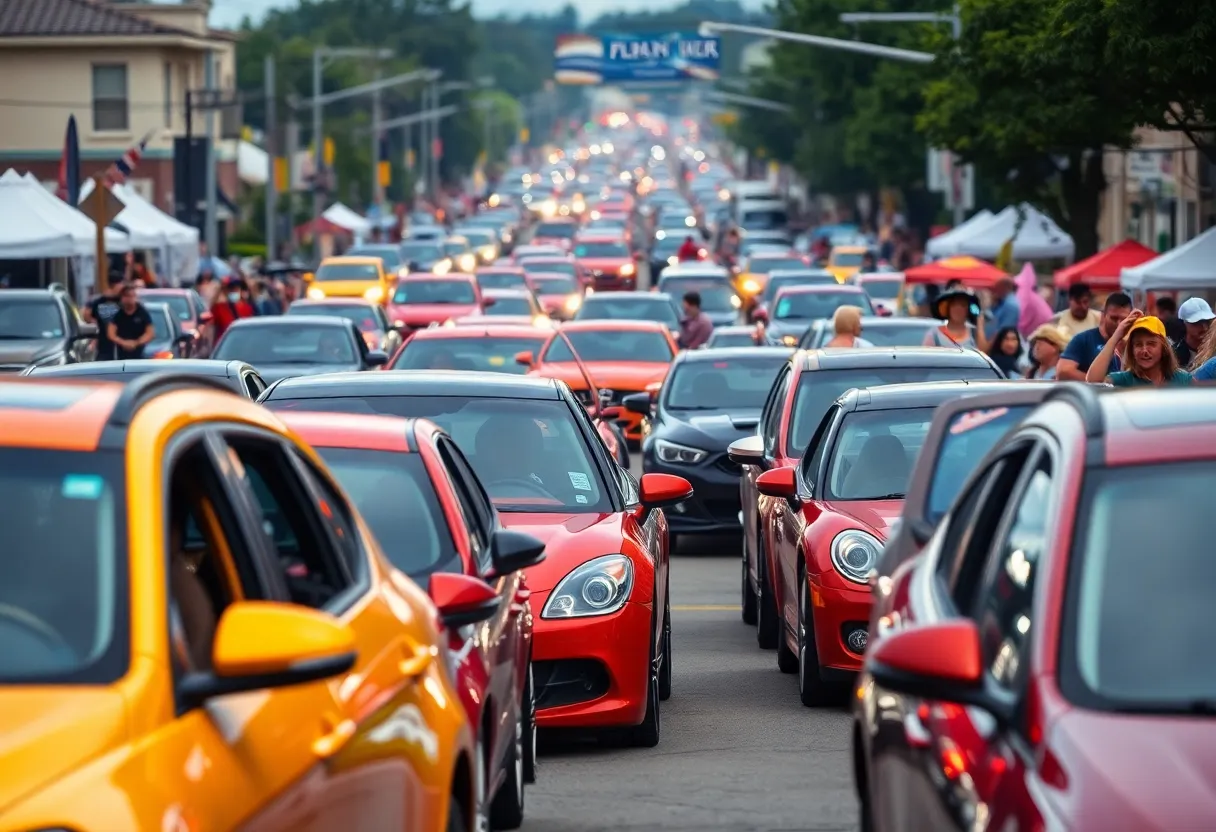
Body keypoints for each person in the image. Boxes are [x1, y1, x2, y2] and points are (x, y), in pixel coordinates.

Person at [1086, 312, 1192, 387]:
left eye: (1151, 344)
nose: (1144, 350)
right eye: (1138, 344)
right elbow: (1093, 380)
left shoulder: (1182, 379)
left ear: (1164, 348)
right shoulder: (1124, 380)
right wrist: (1116, 336)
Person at [1056, 292, 1133, 381]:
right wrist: (1103, 382)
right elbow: (1063, 371)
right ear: (1103, 315)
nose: (1119, 324)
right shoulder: (1084, 339)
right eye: (1114, 318)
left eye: (1124, 319)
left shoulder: (1134, 342)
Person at [923, 287, 988, 351]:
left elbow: (984, 354)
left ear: (968, 309)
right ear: (947, 308)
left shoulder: (974, 333)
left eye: (963, 305)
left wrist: (980, 328)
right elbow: (926, 358)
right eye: (954, 305)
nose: (958, 309)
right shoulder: (934, 334)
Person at [106, 282, 155, 360]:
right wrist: (123, 343)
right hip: (121, 356)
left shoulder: (142, 313)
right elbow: (111, 333)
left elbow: (150, 333)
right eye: (127, 296)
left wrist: (136, 343)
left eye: (132, 296)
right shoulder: (118, 314)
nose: (130, 299)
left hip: (141, 354)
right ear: (122, 298)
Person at [83, 280, 124, 361]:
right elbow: (87, 315)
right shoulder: (98, 301)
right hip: (103, 345)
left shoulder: (123, 301)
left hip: (122, 345)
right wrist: (93, 322)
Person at [1174, 297, 1215, 368]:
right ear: (1183, 324)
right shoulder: (1174, 355)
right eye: (1197, 322)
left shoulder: (1214, 351)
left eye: (1207, 321)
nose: (1204, 327)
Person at [984, 277, 1020, 342]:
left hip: (996, 345)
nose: (995, 290)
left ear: (1006, 287)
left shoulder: (1011, 305)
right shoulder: (1001, 301)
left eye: (997, 287)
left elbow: (1005, 330)